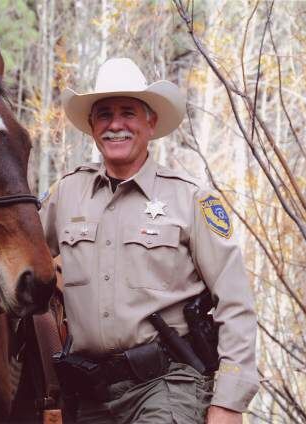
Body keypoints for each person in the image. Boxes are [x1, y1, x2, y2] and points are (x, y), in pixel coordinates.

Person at [40, 58, 259, 423]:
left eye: (128, 113)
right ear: (92, 126)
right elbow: (16, 257)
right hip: (90, 391)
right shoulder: (64, 195)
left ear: (150, 123)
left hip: (166, 384)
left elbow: (235, 302)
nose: (115, 125)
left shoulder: (190, 200)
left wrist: (229, 401)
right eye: (104, 114)